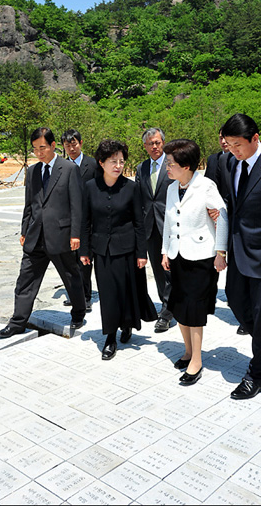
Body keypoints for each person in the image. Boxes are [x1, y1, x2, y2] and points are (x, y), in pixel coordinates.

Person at [0, 127, 86, 338]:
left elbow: (77, 204)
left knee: (71, 276)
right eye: (35, 149)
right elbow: (30, 204)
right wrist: (24, 229)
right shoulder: (33, 171)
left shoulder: (69, 169)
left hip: (61, 235)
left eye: (42, 148)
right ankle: (17, 322)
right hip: (35, 236)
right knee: (25, 279)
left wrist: (75, 234)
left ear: (53, 145)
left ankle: (79, 312)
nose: (38, 153)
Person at [80, 139, 157, 360]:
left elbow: (138, 223)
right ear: (101, 162)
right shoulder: (89, 187)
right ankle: (110, 337)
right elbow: (85, 221)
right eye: (113, 161)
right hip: (101, 250)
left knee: (127, 290)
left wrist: (142, 253)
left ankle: (128, 325)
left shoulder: (131, 187)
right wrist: (84, 251)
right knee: (108, 294)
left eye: (122, 161)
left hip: (128, 249)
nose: (118, 166)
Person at [161, 139, 228, 386]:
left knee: (195, 309)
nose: (167, 167)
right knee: (179, 306)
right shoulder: (171, 188)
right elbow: (169, 222)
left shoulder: (206, 186)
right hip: (178, 255)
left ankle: (197, 361)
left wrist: (221, 253)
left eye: (171, 164)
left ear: (186, 165)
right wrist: (165, 251)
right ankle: (188, 351)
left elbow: (223, 216)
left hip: (201, 257)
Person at [220, 114, 261, 399]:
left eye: (238, 144)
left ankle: (258, 374)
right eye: (229, 144)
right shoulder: (229, 164)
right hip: (237, 251)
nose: (234, 150)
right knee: (236, 301)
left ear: (255, 139)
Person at [205, 127, 247, 336]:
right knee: (232, 281)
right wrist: (216, 211)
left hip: (250, 230)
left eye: (229, 140)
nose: (225, 142)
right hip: (223, 219)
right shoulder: (220, 160)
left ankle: (246, 319)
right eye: (221, 138)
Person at [135, 128, 174, 333]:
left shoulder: (172, 164)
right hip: (149, 228)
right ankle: (166, 308)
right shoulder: (141, 168)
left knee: (172, 270)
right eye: (151, 143)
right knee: (159, 271)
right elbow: (140, 200)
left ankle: (170, 311)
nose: (155, 146)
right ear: (145, 146)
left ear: (164, 143)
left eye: (158, 142)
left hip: (171, 226)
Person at [61, 129, 98, 313]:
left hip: (88, 219)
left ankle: (86, 296)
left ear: (81, 143)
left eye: (74, 144)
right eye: (67, 145)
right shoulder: (61, 166)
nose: (71, 148)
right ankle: (76, 295)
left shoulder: (92, 164)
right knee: (71, 260)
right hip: (68, 220)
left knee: (85, 259)